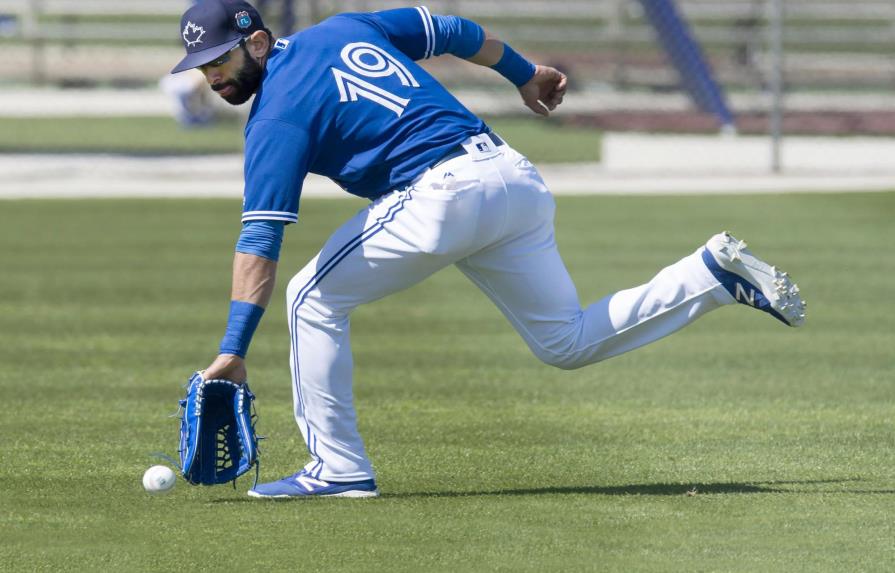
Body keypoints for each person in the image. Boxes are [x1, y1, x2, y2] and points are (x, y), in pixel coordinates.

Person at [170, 0, 806, 499]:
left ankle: (337, 468)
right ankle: (712, 274)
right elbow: (448, 29)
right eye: (204, 67)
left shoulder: (275, 114)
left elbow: (260, 239)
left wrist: (232, 349)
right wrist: (525, 74)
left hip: (440, 195)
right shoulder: (342, 27)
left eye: (222, 58)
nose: (214, 75)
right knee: (566, 341)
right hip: (511, 176)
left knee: (311, 296)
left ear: (257, 41)